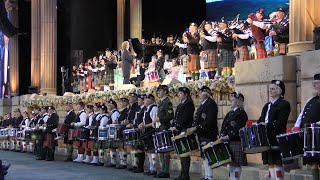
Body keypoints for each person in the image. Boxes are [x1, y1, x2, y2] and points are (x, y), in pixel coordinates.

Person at [257, 80, 291, 180]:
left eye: (273, 88)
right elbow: (261, 119)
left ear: (280, 91)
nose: (270, 90)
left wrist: (266, 125)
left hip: (277, 137)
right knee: (271, 164)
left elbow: (281, 122)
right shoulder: (267, 105)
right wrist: (256, 125)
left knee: (277, 164)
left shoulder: (284, 104)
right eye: (270, 88)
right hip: (266, 138)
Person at [187, 86, 218, 180]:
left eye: (201, 92)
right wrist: (193, 127)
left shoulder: (210, 103)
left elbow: (210, 121)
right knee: (204, 156)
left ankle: (209, 177)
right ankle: (207, 176)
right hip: (202, 133)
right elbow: (197, 118)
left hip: (208, 133)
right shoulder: (203, 104)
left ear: (206, 93)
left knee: (208, 156)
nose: (199, 94)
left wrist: (196, 128)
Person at [293, 73, 320, 180]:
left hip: (318, 133)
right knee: (313, 162)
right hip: (310, 134)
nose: (314, 85)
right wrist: (296, 126)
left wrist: (317, 124)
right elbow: (302, 114)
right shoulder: (311, 99)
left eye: (316, 83)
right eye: (313, 83)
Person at [217, 92, 248, 180]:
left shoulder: (242, 113)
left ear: (239, 101)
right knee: (230, 163)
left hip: (236, 140)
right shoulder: (230, 113)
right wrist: (221, 135)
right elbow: (224, 127)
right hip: (228, 141)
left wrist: (228, 136)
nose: (231, 100)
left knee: (236, 163)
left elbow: (238, 128)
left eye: (233, 99)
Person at [170, 87, 195, 180]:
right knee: (181, 153)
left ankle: (185, 174)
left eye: (181, 93)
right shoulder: (181, 105)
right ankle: (183, 173)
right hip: (179, 130)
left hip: (184, 130)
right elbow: (176, 117)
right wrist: (173, 126)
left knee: (185, 153)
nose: (179, 95)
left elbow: (185, 118)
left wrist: (177, 126)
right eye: (179, 93)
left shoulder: (189, 105)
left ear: (186, 94)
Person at [155, 85, 174, 178]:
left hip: (165, 127)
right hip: (160, 127)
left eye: (160, 90)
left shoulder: (167, 102)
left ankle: (166, 170)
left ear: (165, 91)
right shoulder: (160, 102)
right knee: (161, 150)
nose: (158, 92)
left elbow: (170, 116)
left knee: (166, 150)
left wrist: (160, 119)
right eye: (158, 91)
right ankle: (163, 169)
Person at [126, 94, 147, 173]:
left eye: (139, 100)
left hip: (141, 129)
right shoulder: (139, 108)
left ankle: (140, 166)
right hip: (137, 129)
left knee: (141, 149)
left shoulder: (144, 108)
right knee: (137, 148)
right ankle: (137, 165)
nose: (138, 101)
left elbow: (143, 120)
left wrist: (134, 125)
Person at [138, 94, 158, 176]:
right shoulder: (147, 109)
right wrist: (141, 124)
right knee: (149, 150)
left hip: (151, 131)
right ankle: (151, 168)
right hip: (146, 131)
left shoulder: (154, 108)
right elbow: (145, 120)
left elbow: (154, 122)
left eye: (146, 99)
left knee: (152, 150)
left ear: (151, 100)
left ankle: (154, 168)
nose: (144, 101)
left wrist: (145, 126)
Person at [106, 99, 120, 167]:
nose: (108, 106)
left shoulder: (115, 112)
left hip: (114, 132)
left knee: (117, 147)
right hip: (111, 131)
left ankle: (121, 162)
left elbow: (115, 122)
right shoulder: (111, 112)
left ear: (113, 105)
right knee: (111, 147)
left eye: (109, 105)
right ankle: (113, 161)